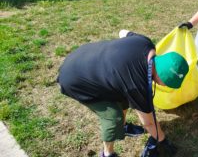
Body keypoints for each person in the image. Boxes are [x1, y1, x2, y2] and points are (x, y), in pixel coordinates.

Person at [57, 30, 189, 157]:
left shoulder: (146, 43)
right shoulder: (136, 84)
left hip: (82, 55)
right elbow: (148, 122)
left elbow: (123, 32)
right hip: (74, 79)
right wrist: (163, 140)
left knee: (122, 95)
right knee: (113, 117)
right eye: (167, 83)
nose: (164, 86)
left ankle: (124, 127)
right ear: (160, 74)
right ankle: (107, 153)